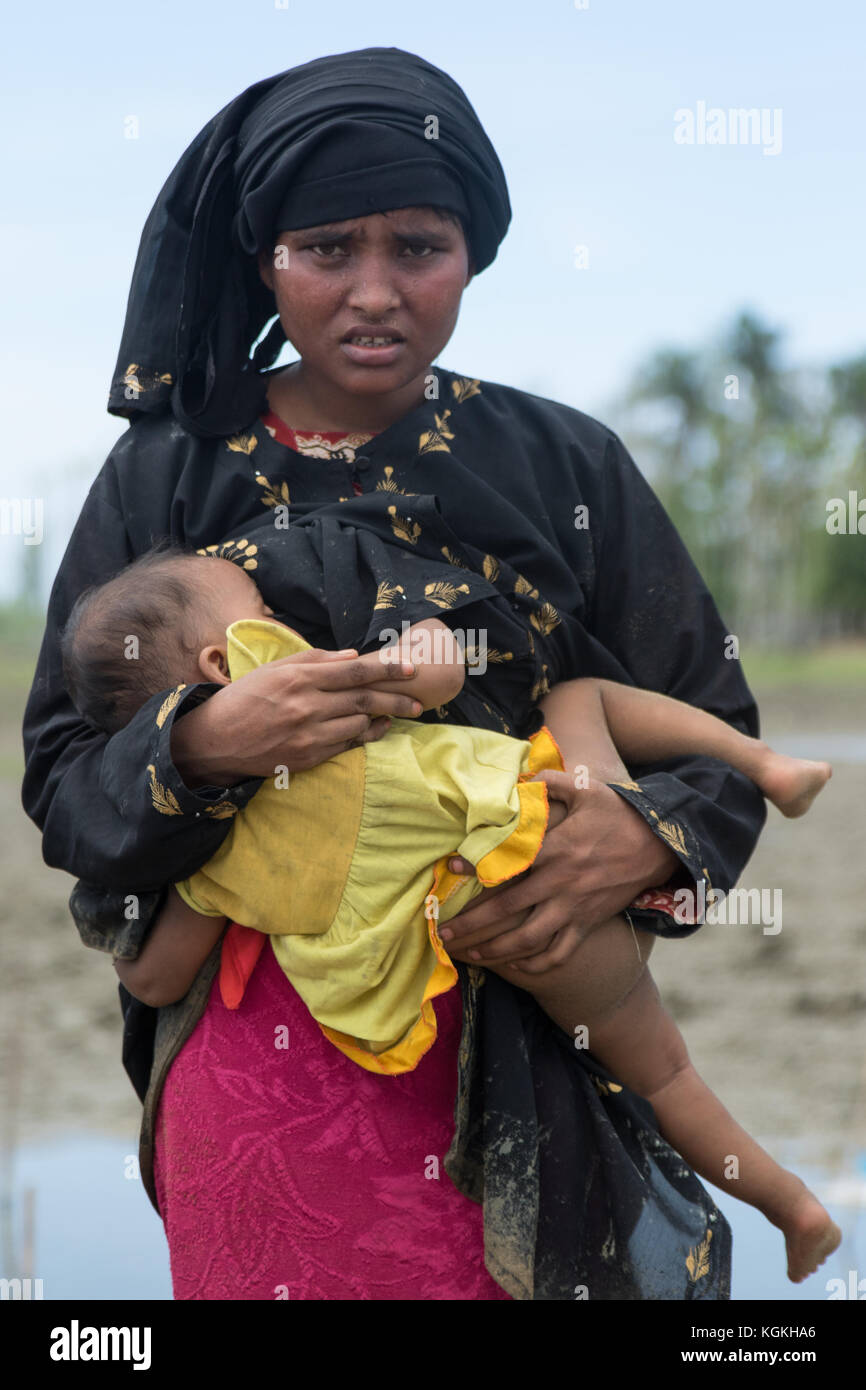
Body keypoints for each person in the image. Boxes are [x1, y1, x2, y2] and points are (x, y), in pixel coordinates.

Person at [21, 48, 778, 1300]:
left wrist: (643, 843)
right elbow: (62, 778)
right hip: (254, 1064)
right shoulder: (165, 474)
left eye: (417, 247)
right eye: (327, 249)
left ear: (471, 253)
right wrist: (208, 742)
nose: (374, 292)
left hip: (523, 1045)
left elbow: (709, 724)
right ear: (266, 259)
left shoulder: (560, 465)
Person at [59, 540, 840, 1282]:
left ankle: (793, 1207)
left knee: (667, 1076)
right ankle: (765, 764)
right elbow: (436, 675)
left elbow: (158, 978)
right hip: (565, 827)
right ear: (230, 662)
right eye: (263, 605)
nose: (289, 619)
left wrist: (132, 918)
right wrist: (421, 633)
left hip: (515, 940)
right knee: (576, 695)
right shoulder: (327, 700)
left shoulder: (221, 855)